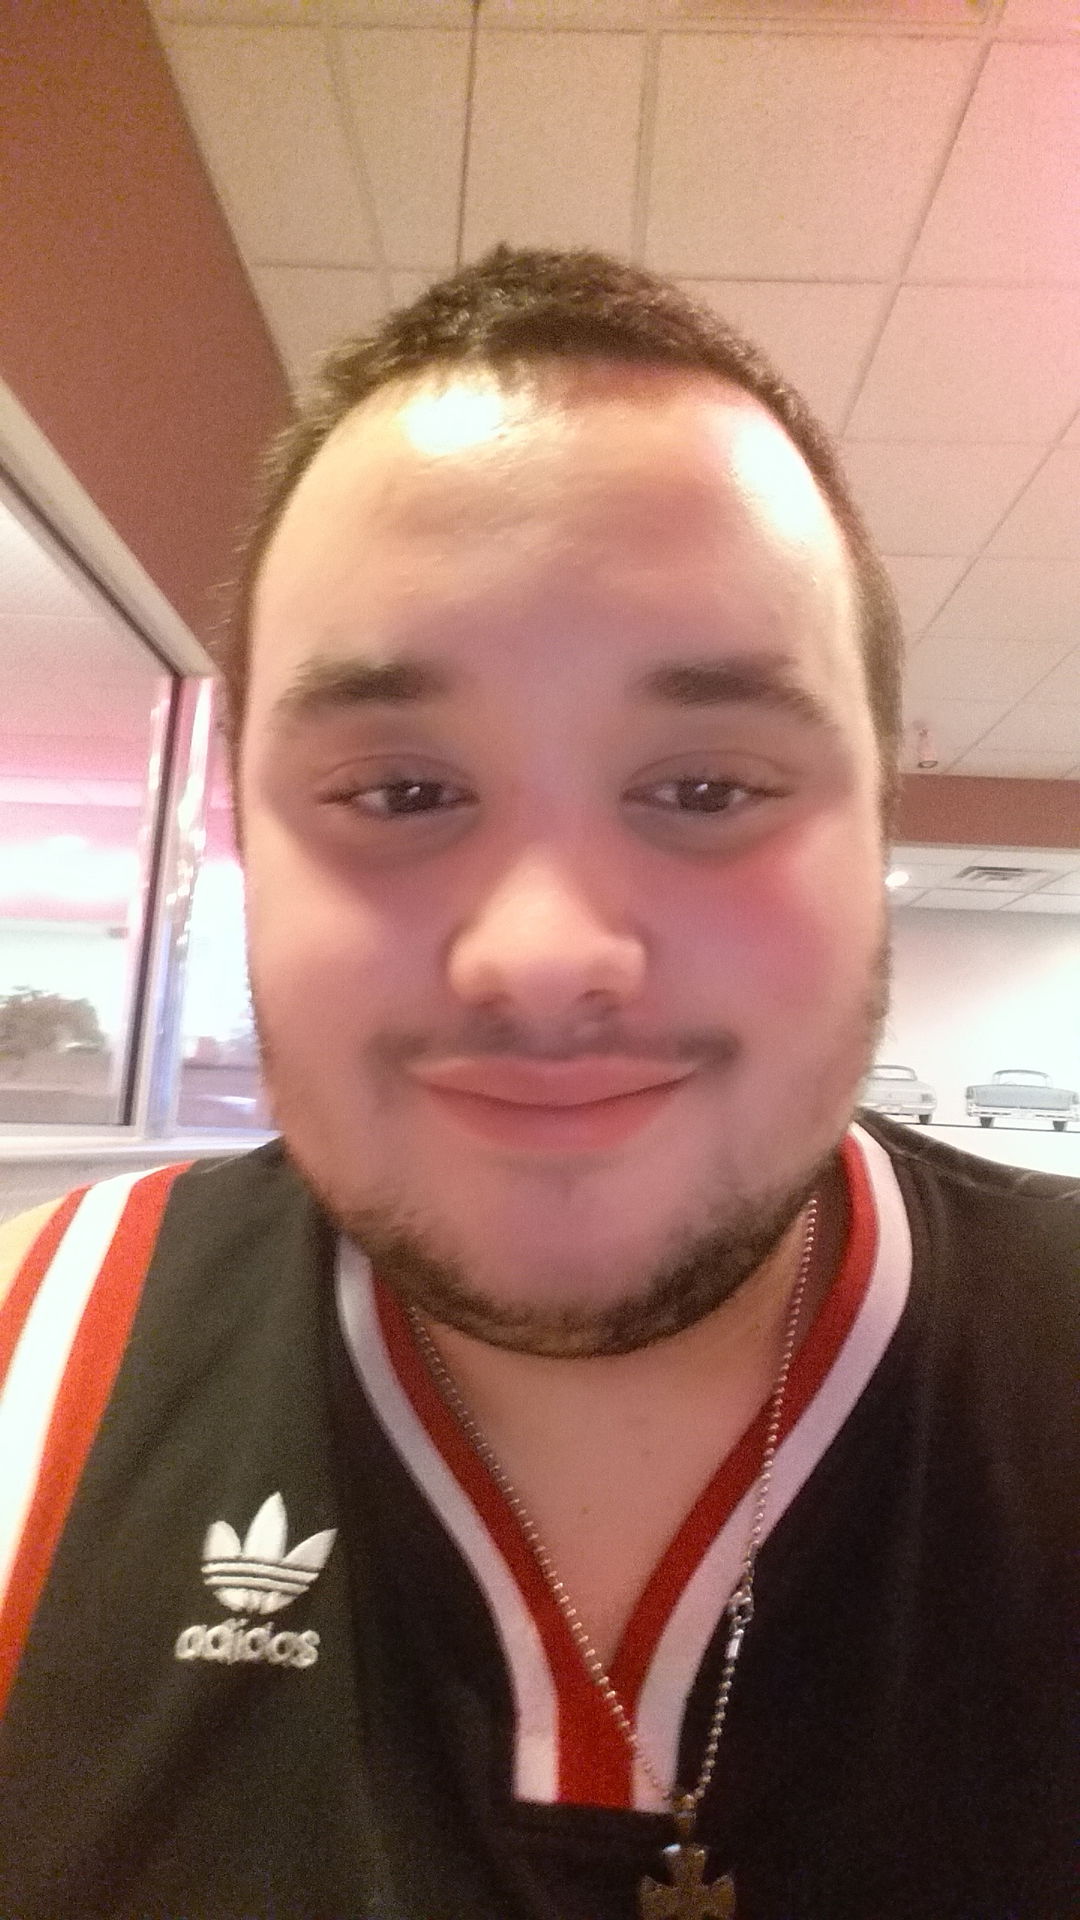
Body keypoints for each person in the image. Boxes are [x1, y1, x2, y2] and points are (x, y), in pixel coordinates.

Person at [0, 247, 1074, 1920]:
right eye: (403, 791)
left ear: (882, 826)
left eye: (706, 787)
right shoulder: (27, 1370)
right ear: (247, 840)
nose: (545, 953)